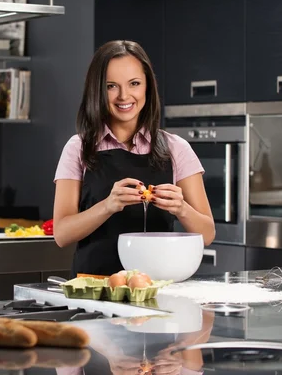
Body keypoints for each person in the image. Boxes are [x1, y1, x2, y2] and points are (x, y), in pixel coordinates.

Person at [53, 40, 215, 277]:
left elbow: (208, 234)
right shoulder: (78, 148)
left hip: (158, 290)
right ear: (96, 90)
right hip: (96, 290)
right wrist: (108, 206)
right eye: (111, 86)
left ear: (147, 87)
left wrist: (182, 208)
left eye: (134, 84)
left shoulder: (176, 148)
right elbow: (62, 234)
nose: (124, 96)